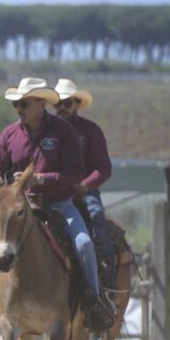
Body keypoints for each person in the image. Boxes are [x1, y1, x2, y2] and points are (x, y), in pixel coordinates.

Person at [0, 77, 114, 333]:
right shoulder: (9, 135)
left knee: (84, 244)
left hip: (59, 204)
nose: (18, 108)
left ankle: (93, 303)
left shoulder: (65, 132)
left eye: (23, 103)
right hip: (19, 209)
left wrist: (40, 179)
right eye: (16, 104)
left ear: (41, 103)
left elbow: (76, 172)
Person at [53, 78, 117, 294]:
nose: (61, 108)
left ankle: (107, 279)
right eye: (57, 103)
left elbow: (103, 168)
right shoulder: (47, 131)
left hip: (85, 192)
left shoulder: (91, 131)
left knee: (96, 216)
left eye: (67, 103)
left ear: (77, 104)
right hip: (54, 192)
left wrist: (85, 185)